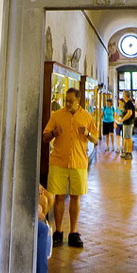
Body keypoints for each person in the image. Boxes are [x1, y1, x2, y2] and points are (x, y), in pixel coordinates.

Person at [41, 87, 98, 248]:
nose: (67, 103)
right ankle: (58, 231)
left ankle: (73, 232)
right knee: (59, 197)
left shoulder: (86, 117)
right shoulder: (57, 115)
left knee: (75, 197)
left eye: (70, 101)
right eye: (66, 100)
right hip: (59, 161)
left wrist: (86, 133)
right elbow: (45, 137)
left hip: (78, 162)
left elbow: (95, 139)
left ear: (78, 100)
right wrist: (54, 133)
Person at [119, 90, 136, 161]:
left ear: (125, 95)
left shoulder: (129, 103)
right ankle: (126, 152)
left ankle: (129, 153)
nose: (122, 96)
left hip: (128, 123)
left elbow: (129, 113)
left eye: (123, 94)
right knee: (126, 138)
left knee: (128, 138)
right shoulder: (127, 103)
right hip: (127, 123)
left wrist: (122, 119)